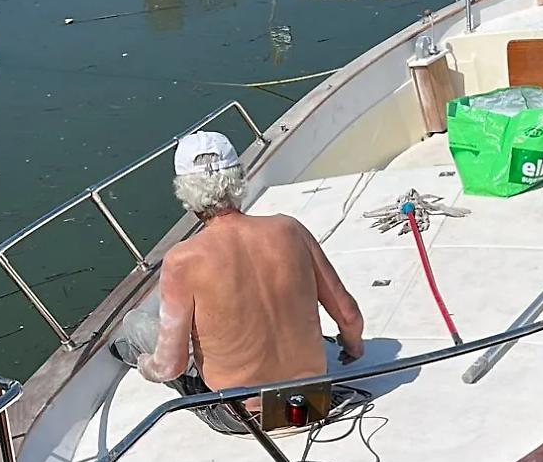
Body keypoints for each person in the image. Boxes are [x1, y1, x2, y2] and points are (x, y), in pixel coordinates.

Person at [112, 130, 364, 433]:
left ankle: (122, 352)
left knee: (134, 324)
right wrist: (353, 348)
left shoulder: (182, 260)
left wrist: (145, 364)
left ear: (183, 192)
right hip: (313, 400)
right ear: (238, 178)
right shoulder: (290, 229)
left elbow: (170, 367)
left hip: (246, 417)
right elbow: (348, 315)